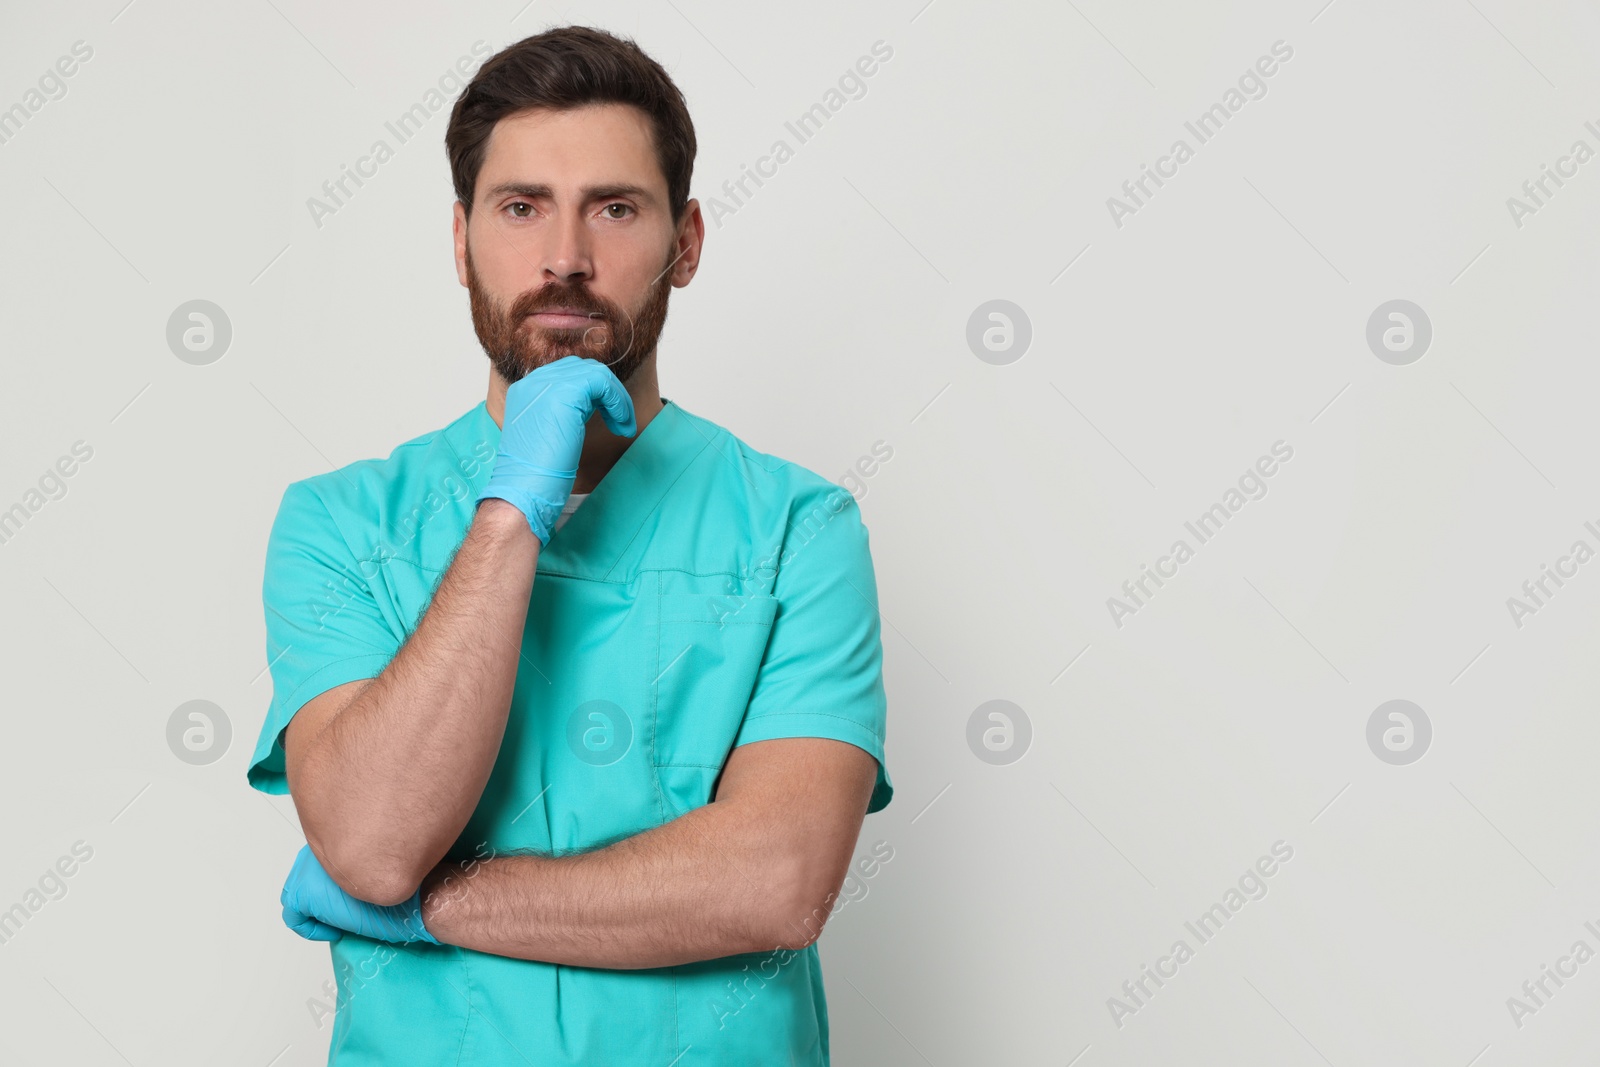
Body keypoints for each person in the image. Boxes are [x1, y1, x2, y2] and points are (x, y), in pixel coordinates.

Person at [245, 24, 894, 1066]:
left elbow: (776, 880)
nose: (564, 256)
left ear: (684, 241)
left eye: (614, 207)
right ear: (460, 239)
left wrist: (432, 904)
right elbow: (370, 842)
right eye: (520, 207)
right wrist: (511, 512)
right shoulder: (342, 523)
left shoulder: (796, 527)